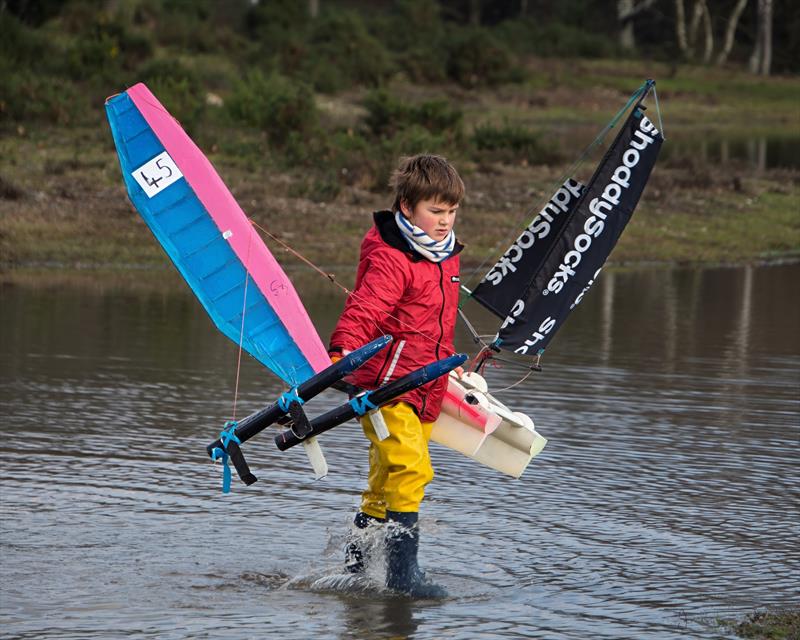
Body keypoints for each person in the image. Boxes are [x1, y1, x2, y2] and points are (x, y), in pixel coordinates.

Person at [328, 154, 465, 597]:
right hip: (387, 387)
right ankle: (404, 579)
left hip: (427, 384)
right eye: (435, 211)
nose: (445, 222)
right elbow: (365, 307)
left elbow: (434, 321)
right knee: (411, 470)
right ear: (406, 207)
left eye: (451, 212)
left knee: (386, 478)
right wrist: (343, 349)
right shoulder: (392, 256)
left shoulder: (445, 256)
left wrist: (452, 364)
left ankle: (356, 565)